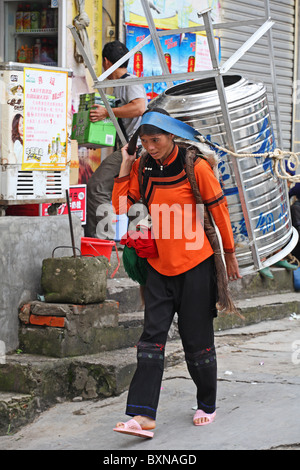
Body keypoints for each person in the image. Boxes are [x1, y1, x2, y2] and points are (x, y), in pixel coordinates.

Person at [111, 108, 241, 438]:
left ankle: (207, 403)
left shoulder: (195, 167)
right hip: (158, 266)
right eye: (144, 140)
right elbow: (121, 208)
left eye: (155, 140)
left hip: (196, 265)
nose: (150, 146)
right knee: (151, 340)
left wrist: (229, 254)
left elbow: (219, 210)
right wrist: (126, 166)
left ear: (171, 136)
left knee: (196, 340)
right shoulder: (141, 166)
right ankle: (143, 417)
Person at [85, 40, 148, 239]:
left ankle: (103, 240)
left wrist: (107, 113)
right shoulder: (118, 85)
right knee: (133, 196)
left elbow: (139, 107)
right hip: (129, 148)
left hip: (134, 149)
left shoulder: (130, 81)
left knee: (97, 186)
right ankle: (136, 241)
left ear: (105, 61)